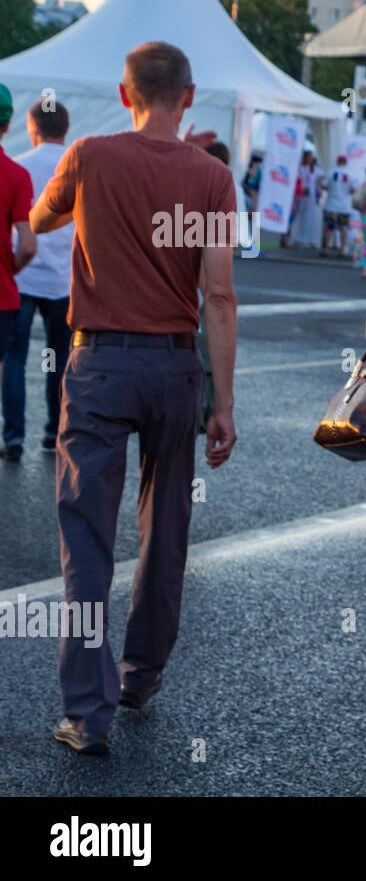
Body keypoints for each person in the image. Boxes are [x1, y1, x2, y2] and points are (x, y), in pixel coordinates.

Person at [29, 41, 238, 754]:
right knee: (166, 526)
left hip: (97, 364)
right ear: (189, 97)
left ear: (125, 95)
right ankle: (141, 674)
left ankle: (88, 713)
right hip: (176, 367)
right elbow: (218, 294)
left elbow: (40, 220)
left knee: (86, 536)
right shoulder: (212, 178)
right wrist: (224, 402)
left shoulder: (88, 155)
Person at [0, 89, 42, 461]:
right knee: (10, 363)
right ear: (8, 124)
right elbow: (28, 244)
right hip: (3, 295)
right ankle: (12, 438)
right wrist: (8, 270)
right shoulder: (16, 175)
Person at [320, 155, 356, 257]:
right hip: (344, 206)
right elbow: (353, 189)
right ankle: (342, 250)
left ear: (337, 161)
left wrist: (319, 183)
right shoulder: (350, 174)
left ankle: (327, 249)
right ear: (345, 162)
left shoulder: (330, 172)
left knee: (329, 227)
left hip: (331, 205)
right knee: (343, 228)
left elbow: (324, 185)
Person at [288, 150, 323, 249]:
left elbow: (322, 176)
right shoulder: (300, 167)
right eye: (309, 157)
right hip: (300, 194)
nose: (311, 159)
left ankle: (310, 239)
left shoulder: (315, 169)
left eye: (312, 157)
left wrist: (318, 185)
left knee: (310, 218)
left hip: (311, 196)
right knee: (299, 216)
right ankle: (297, 238)